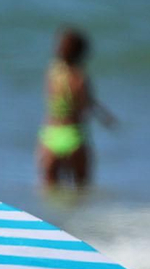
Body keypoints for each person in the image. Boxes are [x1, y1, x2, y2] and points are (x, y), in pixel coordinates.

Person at [37, 26, 117, 189]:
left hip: (50, 134)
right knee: (81, 189)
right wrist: (105, 117)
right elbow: (86, 104)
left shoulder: (52, 72)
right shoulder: (79, 77)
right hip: (73, 134)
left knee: (49, 190)